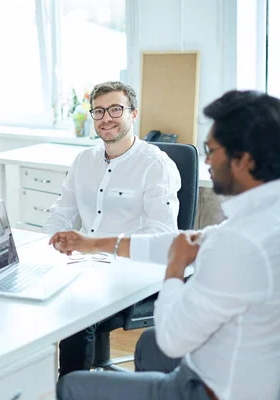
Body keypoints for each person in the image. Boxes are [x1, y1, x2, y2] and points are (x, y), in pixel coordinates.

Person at [51, 90, 280, 400]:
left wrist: (174, 270)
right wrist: (95, 243)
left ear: (243, 160)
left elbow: (173, 339)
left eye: (211, 150)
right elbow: (185, 241)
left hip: (213, 389)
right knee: (147, 346)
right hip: (258, 357)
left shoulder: (239, 246)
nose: (206, 161)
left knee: (71, 386)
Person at [43, 81, 181, 376]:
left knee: (77, 310)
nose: (106, 117)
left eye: (116, 109)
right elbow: (61, 213)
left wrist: (100, 250)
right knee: (38, 293)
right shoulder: (83, 161)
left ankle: (72, 390)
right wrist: (47, 247)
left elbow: (161, 232)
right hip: (84, 265)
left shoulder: (156, 165)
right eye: (99, 111)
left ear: (133, 114)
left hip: (132, 270)